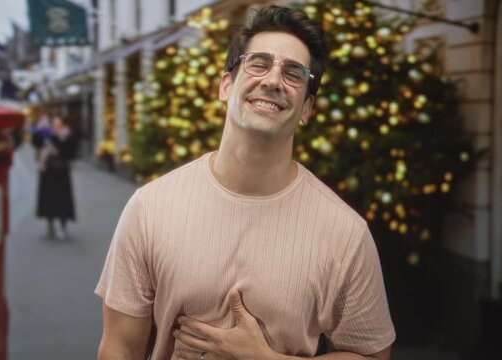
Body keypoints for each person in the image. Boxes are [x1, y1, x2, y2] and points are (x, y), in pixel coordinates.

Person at [96, 5, 395, 360]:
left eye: (294, 74)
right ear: (226, 85)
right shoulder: (150, 207)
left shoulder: (346, 233)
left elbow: (373, 356)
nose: (272, 81)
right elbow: (120, 347)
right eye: (258, 63)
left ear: (307, 109)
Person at [36, 116, 78, 240]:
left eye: (58, 124)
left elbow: (68, 151)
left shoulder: (67, 136)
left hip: (61, 173)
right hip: (48, 173)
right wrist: (39, 130)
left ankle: (62, 226)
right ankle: (50, 225)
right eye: (54, 124)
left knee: (62, 200)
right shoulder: (47, 136)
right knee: (49, 200)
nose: (55, 127)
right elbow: (36, 143)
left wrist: (55, 145)